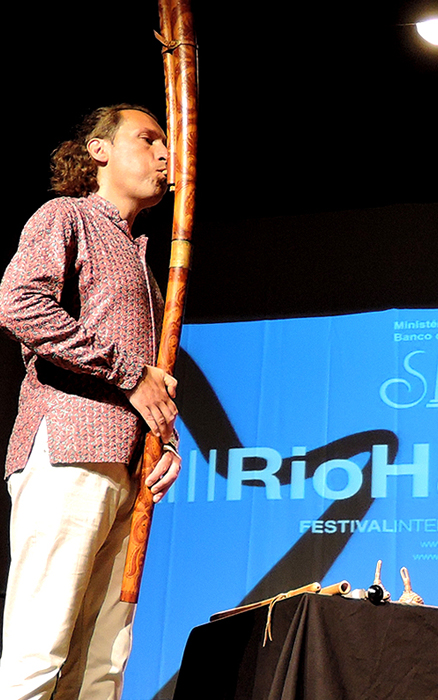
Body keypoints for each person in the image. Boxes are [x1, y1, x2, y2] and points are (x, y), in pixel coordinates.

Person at [0, 105, 182, 700]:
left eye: (167, 145)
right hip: (69, 451)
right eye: (149, 139)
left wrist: (165, 441)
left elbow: (150, 381)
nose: (165, 154)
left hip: (128, 470)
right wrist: (131, 375)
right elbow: (21, 303)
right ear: (98, 151)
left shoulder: (144, 258)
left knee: (103, 663)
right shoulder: (67, 216)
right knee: (41, 645)